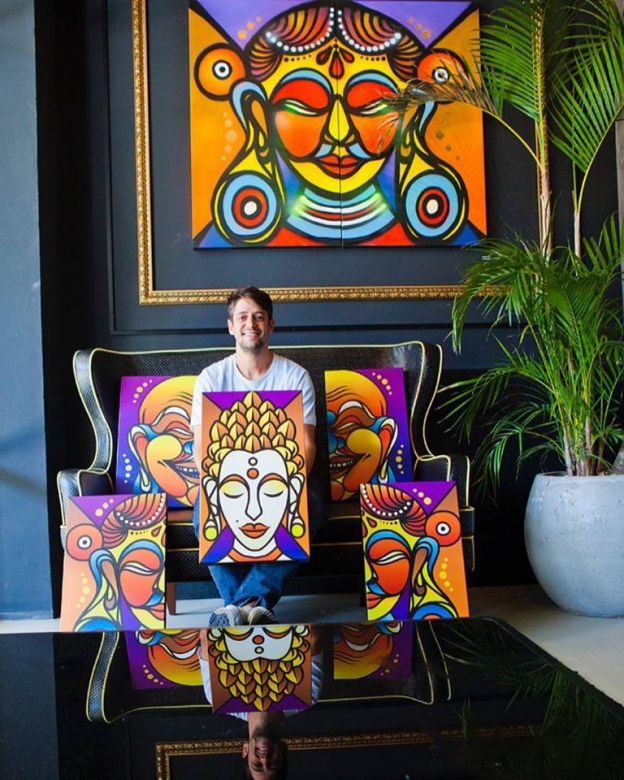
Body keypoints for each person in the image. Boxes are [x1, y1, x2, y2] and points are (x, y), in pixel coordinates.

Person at [191, 286, 321, 626]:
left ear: (271, 325)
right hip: (226, 480)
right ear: (230, 326)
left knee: (310, 506)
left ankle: (239, 606)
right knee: (202, 512)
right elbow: (200, 447)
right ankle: (253, 605)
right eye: (243, 317)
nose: (251, 324)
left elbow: (307, 445)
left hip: (284, 479)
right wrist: (214, 484)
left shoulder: (295, 376)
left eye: (259, 317)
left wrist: (292, 486)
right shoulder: (211, 378)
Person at [198, 624, 327, 780]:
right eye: (273, 764)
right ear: (284, 750)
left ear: (245, 751)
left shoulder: (218, 697)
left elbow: (207, 634)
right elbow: (312, 632)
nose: (265, 759)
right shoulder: (307, 695)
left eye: (257, 765)